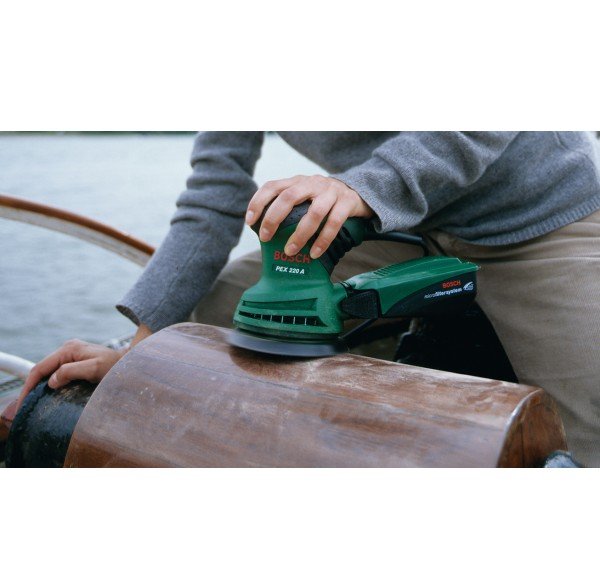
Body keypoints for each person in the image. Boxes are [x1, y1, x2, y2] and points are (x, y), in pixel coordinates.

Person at [17, 132, 600, 465]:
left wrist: (361, 188)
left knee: (590, 425)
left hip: (542, 219)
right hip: (396, 224)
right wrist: (141, 353)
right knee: (200, 332)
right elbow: (213, 200)